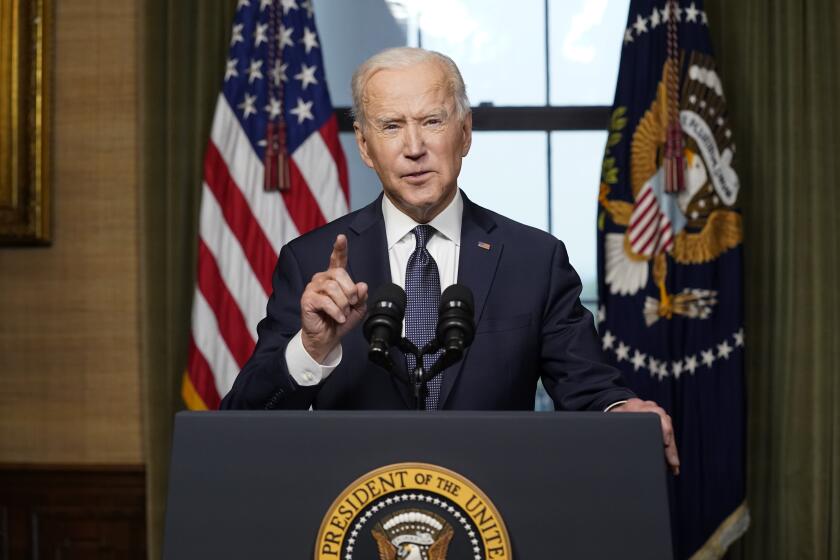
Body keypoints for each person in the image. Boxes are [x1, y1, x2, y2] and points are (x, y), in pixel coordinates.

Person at [220, 47, 679, 474]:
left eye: (432, 121)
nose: (414, 146)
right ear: (364, 145)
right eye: (391, 126)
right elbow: (244, 421)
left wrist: (624, 412)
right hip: (358, 516)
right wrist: (312, 348)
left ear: (464, 132)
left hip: (494, 516)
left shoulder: (534, 260)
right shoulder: (310, 262)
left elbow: (589, 387)